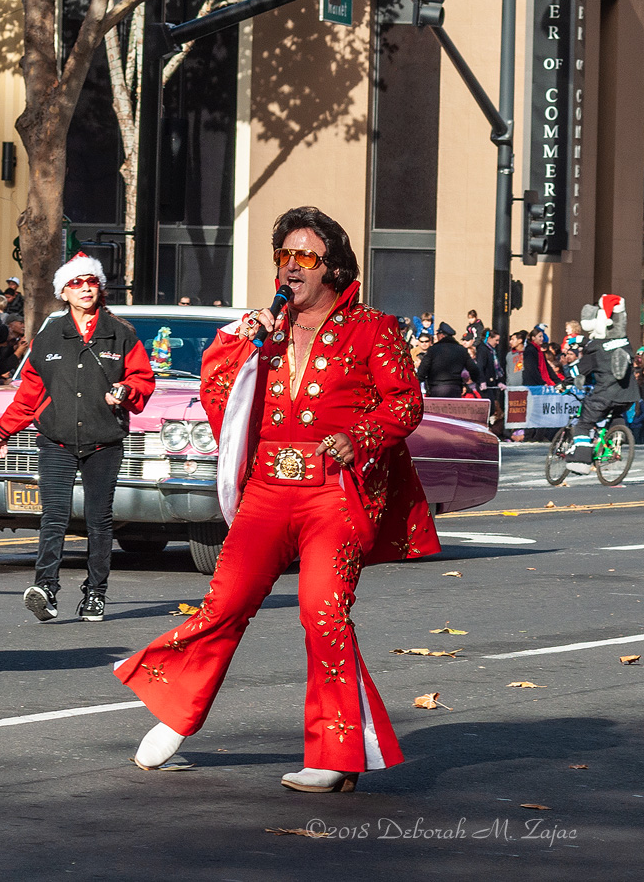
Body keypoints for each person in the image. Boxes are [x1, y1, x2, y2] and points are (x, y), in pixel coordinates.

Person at [115, 206, 438, 792]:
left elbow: (404, 405)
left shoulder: (373, 327)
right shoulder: (259, 329)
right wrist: (244, 343)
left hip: (333, 494)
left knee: (323, 614)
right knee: (223, 605)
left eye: (305, 257)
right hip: (266, 489)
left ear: (333, 266)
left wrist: (359, 436)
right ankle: (175, 713)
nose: (291, 267)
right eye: (283, 256)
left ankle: (336, 756)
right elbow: (217, 391)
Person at [0, 253, 155, 622]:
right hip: (56, 440)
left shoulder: (121, 333)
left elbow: (143, 379)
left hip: (104, 442)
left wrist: (126, 390)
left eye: (91, 282)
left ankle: (95, 593)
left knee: (99, 521)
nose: (84, 289)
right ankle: (45, 589)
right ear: (64, 291)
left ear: (100, 288)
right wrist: (5, 430)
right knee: (53, 517)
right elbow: (30, 392)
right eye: (76, 283)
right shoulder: (48, 335)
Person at [567, 295, 639, 474]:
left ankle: (582, 461)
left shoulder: (594, 350)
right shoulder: (625, 341)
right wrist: (584, 341)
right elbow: (606, 345)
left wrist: (565, 381)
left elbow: (579, 370)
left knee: (583, 423)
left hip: (605, 394)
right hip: (628, 395)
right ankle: (617, 437)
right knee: (616, 412)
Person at [416, 322, 479, 397]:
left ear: (442, 335)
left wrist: (418, 382)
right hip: (455, 389)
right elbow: (474, 369)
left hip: (436, 389)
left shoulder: (433, 350)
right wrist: (473, 381)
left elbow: (423, 369)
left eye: (437, 334)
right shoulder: (461, 350)